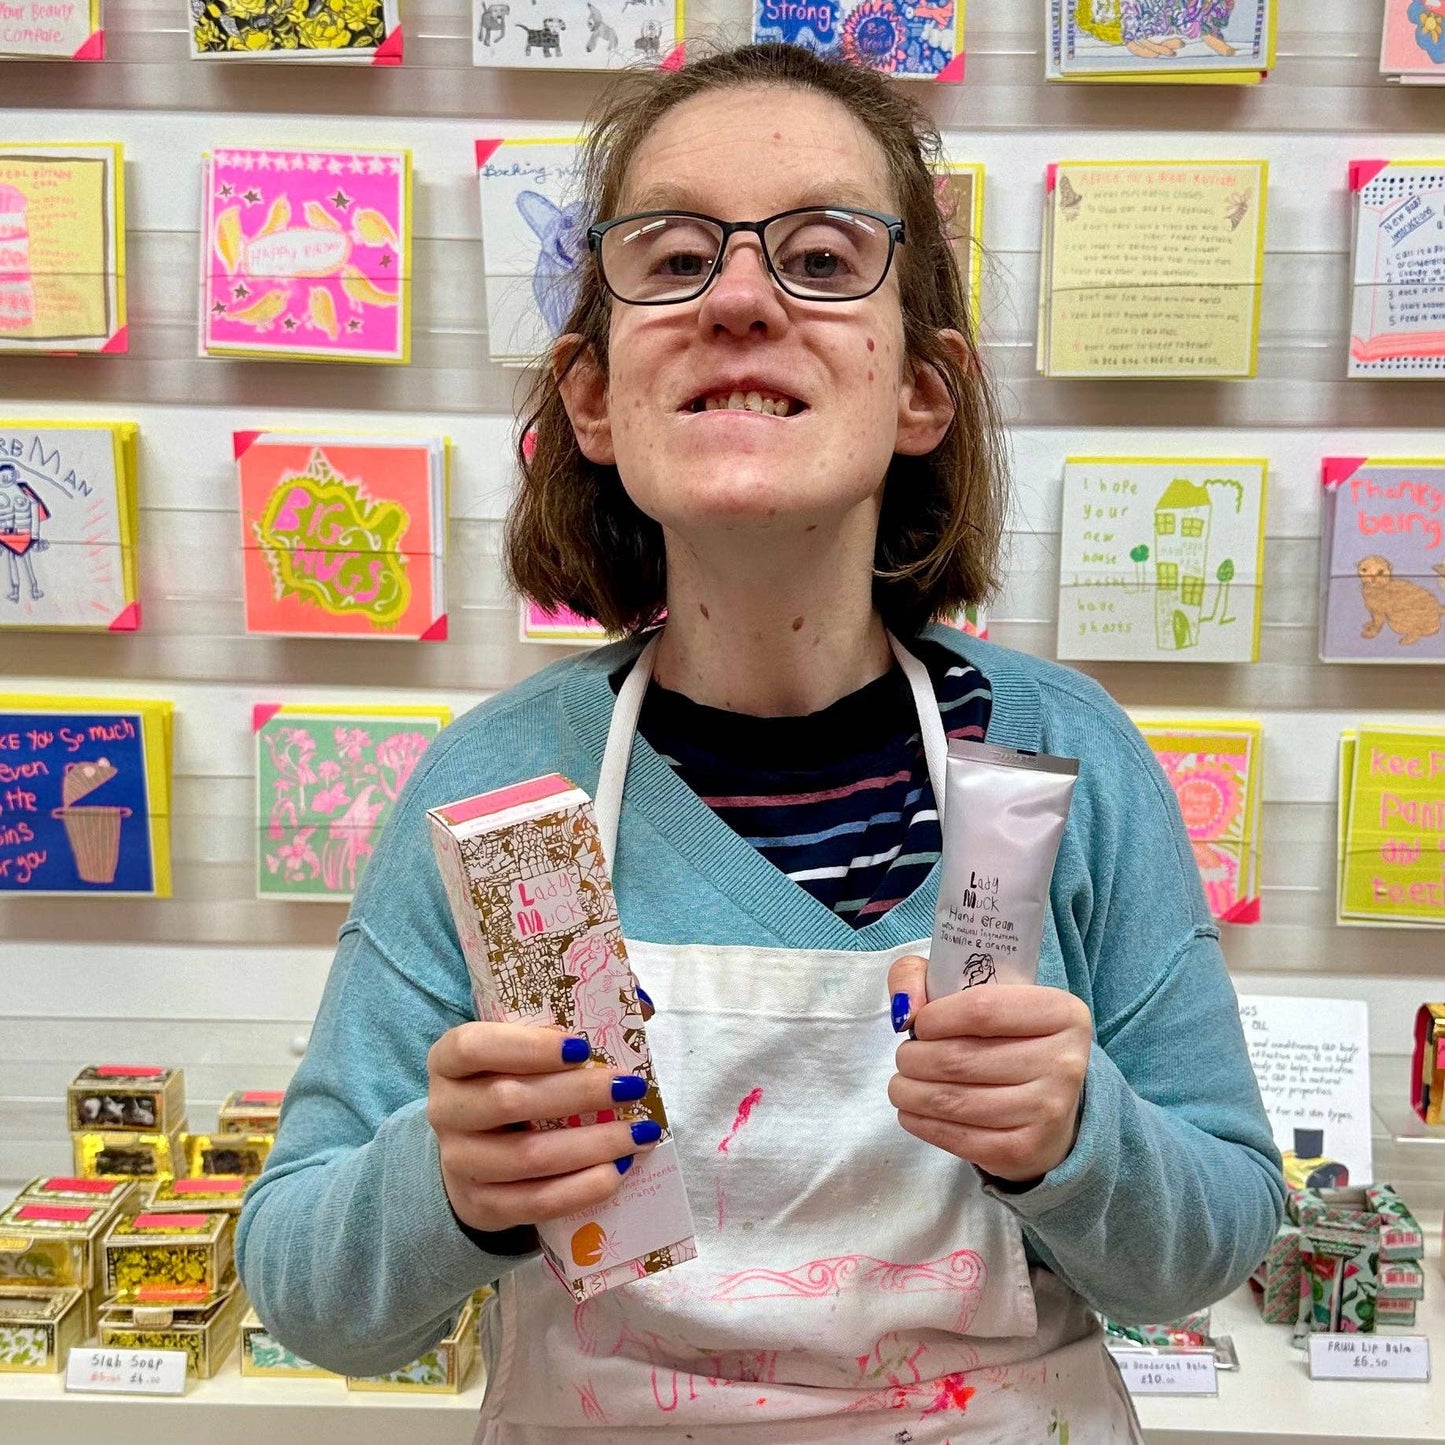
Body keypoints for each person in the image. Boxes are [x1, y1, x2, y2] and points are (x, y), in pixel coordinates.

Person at [237, 42, 1284, 1444]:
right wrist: (447, 1182)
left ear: (922, 389)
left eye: (821, 252)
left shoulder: (1057, 756)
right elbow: (306, 1289)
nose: (739, 296)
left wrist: (1078, 1134)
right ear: (593, 399)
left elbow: (1219, 1234)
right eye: (670, 260)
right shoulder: (497, 788)